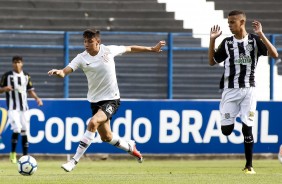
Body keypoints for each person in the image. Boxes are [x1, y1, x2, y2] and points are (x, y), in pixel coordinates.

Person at [48, 28, 166, 172]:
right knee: (107, 137)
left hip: (111, 99)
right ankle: (130, 147)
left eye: (90, 41)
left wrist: (152, 49)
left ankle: (73, 161)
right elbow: (65, 71)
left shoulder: (108, 50)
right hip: (95, 101)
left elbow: (129, 48)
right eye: (85, 41)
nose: (86, 44)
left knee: (93, 122)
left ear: (98, 42)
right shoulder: (81, 58)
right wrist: (58, 72)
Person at [208, 10, 279, 174]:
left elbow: (275, 54)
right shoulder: (227, 43)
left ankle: (249, 166)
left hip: (249, 90)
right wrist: (212, 40)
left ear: (242, 22)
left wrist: (261, 34)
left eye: (232, 22)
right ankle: (233, 126)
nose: (229, 25)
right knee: (226, 131)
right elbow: (212, 61)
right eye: (229, 23)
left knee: (248, 128)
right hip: (229, 91)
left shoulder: (254, 41)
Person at [0, 56, 43, 163]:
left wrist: (37, 98)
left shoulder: (26, 76)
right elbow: (0, 89)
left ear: (22, 63)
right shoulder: (7, 76)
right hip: (12, 108)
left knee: (25, 131)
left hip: (24, 108)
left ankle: (25, 156)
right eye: (14, 62)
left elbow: (30, 90)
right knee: (17, 128)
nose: (16, 64)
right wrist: (4, 89)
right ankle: (13, 153)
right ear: (12, 64)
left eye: (18, 62)